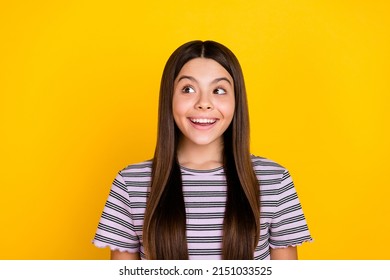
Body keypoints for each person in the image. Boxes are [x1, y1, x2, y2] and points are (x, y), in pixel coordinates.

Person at [92, 40, 312, 260]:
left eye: (219, 90)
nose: (204, 103)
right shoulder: (130, 184)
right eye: (188, 89)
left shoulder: (274, 180)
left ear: (236, 101)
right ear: (170, 97)